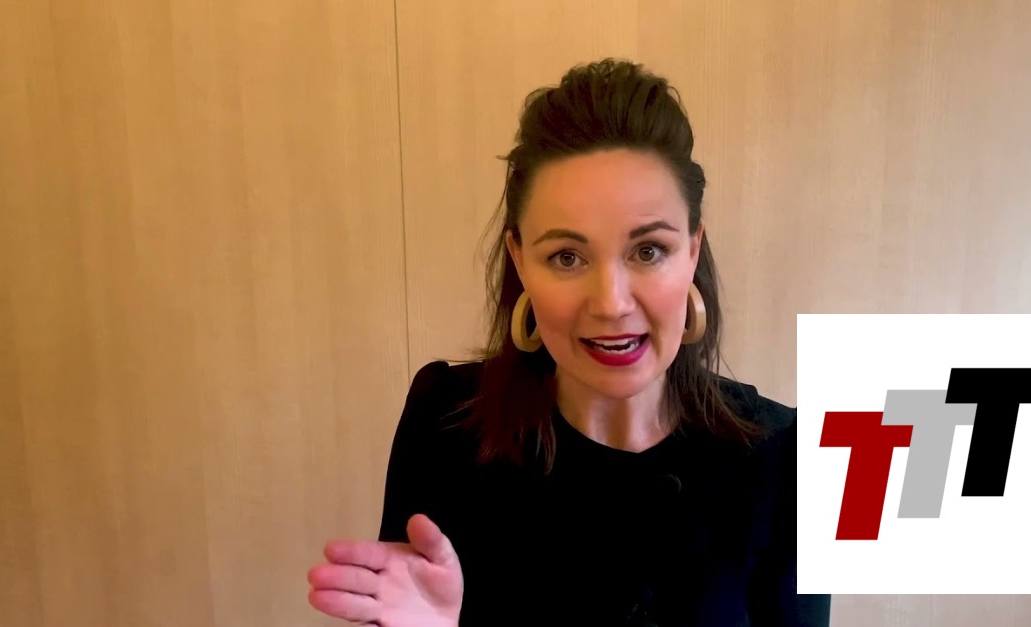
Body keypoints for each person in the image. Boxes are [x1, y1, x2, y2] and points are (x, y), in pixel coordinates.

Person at [306, 58, 832, 626]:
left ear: (692, 250)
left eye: (648, 251)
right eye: (566, 257)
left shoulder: (791, 458)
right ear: (520, 260)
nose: (610, 302)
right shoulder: (444, 423)